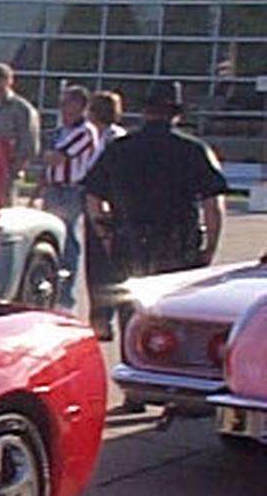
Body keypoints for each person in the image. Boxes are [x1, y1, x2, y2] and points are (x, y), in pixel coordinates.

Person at [85, 80, 227, 333]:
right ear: (176, 114)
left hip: (129, 243)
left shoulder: (119, 149)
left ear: (145, 111)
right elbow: (213, 204)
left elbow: (93, 196)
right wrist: (210, 247)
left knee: (133, 318)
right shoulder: (194, 150)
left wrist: (105, 235)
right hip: (178, 246)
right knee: (176, 320)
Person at [39, 85, 98, 311]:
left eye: (68, 104)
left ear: (81, 106)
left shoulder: (85, 132)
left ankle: (65, 295)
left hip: (71, 190)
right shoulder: (61, 131)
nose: (63, 109)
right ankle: (51, 287)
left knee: (67, 240)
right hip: (54, 188)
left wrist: (47, 156)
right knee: (51, 238)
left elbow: (57, 157)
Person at [82, 90, 128, 337]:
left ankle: (105, 317)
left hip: (108, 204)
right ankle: (99, 318)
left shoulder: (116, 139)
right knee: (95, 266)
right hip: (95, 200)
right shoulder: (93, 135)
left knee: (107, 265)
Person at [0, 62, 40, 201]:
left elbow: (29, 145)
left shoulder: (22, 109)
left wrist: (14, 169)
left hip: (5, 171)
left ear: (9, 81)